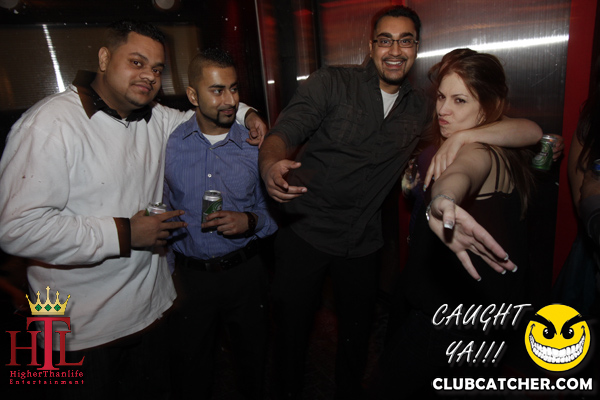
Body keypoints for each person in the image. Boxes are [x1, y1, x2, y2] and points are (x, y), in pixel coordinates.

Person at [258, 5, 542, 399]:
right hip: (306, 232)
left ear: (416, 47)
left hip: (361, 242)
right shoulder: (332, 83)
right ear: (371, 45)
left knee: (356, 340)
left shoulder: (422, 107)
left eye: (405, 40)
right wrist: (270, 164)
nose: (395, 50)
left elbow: (520, 128)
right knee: (291, 336)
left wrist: (467, 137)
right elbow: (284, 131)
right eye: (385, 40)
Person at [0, 20, 265, 398]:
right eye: (137, 62)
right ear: (104, 59)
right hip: (78, 330)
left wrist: (249, 114)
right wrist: (124, 232)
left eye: (157, 69)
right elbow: (16, 229)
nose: (149, 76)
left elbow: (213, 110)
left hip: (151, 313)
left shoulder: (156, 119)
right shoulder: (49, 125)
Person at [376, 48, 536, 398]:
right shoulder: (486, 139)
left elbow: (461, 174)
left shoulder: (477, 150)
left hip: (445, 316)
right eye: (441, 97)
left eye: (459, 100)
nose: (443, 110)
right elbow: (532, 130)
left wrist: (442, 202)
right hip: (471, 310)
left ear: (487, 106)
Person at [163, 48, 277, 399]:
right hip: (190, 279)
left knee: (254, 365)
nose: (230, 100)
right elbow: (161, 206)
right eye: (217, 90)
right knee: (191, 371)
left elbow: (275, 213)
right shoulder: (169, 144)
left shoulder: (256, 146)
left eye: (234, 88)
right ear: (193, 95)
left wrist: (250, 220)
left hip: (245, 275)